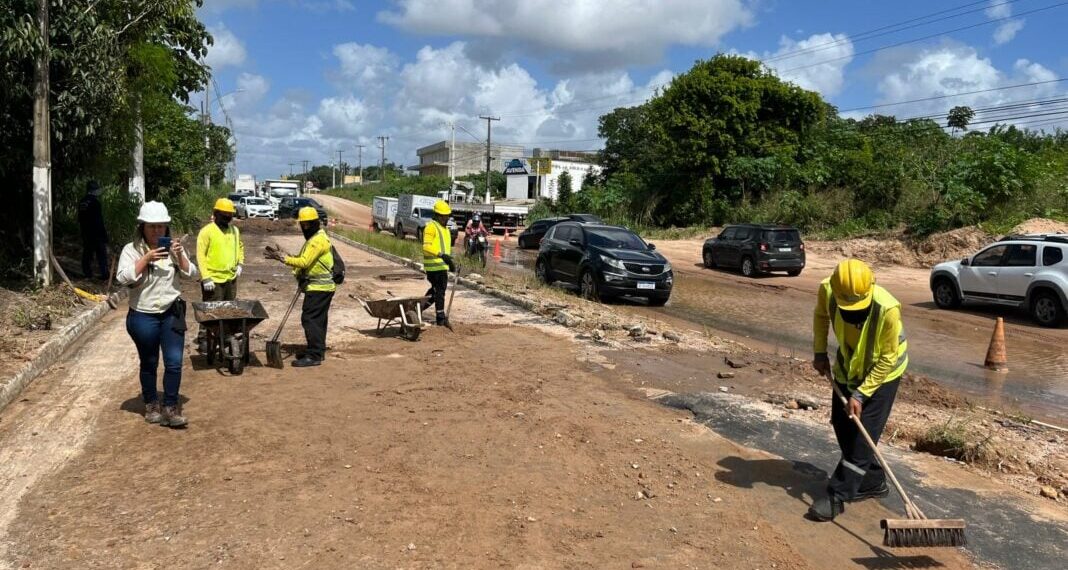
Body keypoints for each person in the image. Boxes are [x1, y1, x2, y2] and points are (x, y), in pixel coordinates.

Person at [810, 259, 909, 521]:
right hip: (848, 367)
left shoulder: (888, 308)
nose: (853, 312)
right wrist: (820, 351)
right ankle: (873, 481)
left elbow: (887, 358)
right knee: (842, 424)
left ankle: (838, 496)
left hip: (884, 375)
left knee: (862, 439)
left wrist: (861, 395)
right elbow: (821, 316)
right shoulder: (828, 290)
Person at [115, 201, 198, 428]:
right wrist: (146, 259)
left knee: (173, 362)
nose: (157, 231)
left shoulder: (174, 249)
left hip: (171, 311)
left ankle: (170, 407)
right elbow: (122, 278)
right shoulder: (131, 250)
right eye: (152, 226)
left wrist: (180, 256)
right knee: (149, 361)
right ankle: (152, 403)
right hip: (143, 314)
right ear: (142, 227)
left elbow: (192, 274)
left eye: (161, 226)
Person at [264, 206, 335, 367]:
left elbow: (304, 262)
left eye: (305, 225)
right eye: (302, 225)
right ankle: (317, 350)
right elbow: (304, 259)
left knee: (310, 320)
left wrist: (284, 258)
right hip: (318, 287)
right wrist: (287, 255)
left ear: (312, 224)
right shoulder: (315, 238)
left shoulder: (317, 241)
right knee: (318, 320)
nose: (303, 228)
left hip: (319, 288)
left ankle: (315, 355)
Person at [197, 198, 244, 302]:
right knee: (213, 313)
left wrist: (240, 263)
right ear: (216, 214)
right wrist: (206, 277)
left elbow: (240, 247)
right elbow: (200, 255)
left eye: (230, 214)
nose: (227, 216)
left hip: (231, 279)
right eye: (224, 213)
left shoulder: (235, 231)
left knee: (229, 311)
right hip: (213, 280)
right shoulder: (207, 231)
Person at [421, 199, 455, 326]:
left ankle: (418, 308)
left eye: (447, 216)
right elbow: (426, 247)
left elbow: (445, 249)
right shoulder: (431, 227)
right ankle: (440, 318)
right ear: (437, 215)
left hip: (442, 266)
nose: (446, 218)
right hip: (433, 268)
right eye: (444, 216)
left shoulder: (445, 229)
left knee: (437, 292)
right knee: (439, 292)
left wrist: (449, 262)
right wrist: (441, 255)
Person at [78, 180, 109, 280]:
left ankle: (87, 273)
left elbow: (80, 219)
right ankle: (104, 275)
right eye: (97, 189)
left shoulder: (82, 202)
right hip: (96, 233)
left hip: (86, 233)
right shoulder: (95, 203)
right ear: (93, 190)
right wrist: (104, 235)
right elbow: (98, 221)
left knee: (87, 253)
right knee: (101, 254)